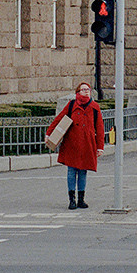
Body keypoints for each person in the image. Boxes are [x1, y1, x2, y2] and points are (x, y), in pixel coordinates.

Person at [49, 82, 104, 210]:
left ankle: (81, 199)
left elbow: (100, 128)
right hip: (72, 143)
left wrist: (100, 147)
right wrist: (49, 133)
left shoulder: (95, 107)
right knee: (71, 171)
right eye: (83, 89)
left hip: (87, 144)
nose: (86, 91)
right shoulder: (72, 105)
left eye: (88, 89)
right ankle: (71, 200)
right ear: (78, 92)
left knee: (83, 171)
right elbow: (59, 119)